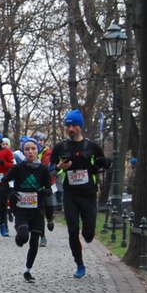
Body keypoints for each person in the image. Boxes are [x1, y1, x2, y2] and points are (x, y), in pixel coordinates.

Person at [50, 109, 111, 278]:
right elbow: (49, 171)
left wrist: (104, 163)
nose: (70, 129)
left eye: (74, 125)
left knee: (88, 235)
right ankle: (79, 264)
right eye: (68, 126)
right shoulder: (60, 147)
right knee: (72, 230)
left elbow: (103, 164)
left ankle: (86, 236)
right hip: (70, 195)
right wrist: (58, 167)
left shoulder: (92, 146)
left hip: (89, 194)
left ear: (80, 127)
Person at [1, 138, 54, 281]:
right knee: (24, 236)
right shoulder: (18, 168)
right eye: (27, 149)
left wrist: (43, 192)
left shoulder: (43, 169)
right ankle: (19, 238)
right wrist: (11, 193)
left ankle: (27, 270)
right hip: (21, 209)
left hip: (37, 210)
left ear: (38, 151)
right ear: (23, 152)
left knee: (34, 241)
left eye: (33, 149)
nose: (30, 152)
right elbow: (4, 181)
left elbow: (49, 189)